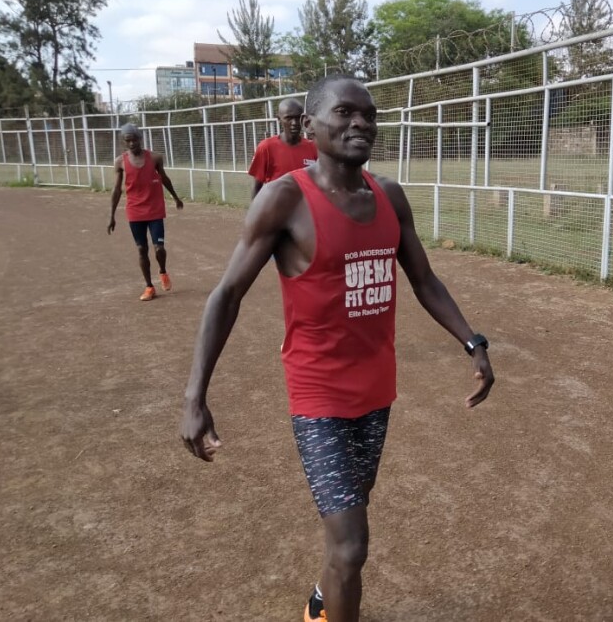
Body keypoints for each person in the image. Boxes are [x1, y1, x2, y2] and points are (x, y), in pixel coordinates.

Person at [180, 75, 495, 622]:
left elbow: (424, 280)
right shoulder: (284, 199)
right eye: (345, 112)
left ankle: (322, 600)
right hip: (318, 395)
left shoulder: (389, 195)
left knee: (350, 521)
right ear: (310, 125)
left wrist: (473, 342)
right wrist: (194, 396)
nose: (360, 123)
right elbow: (226, 294)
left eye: (369, 115)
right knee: (352, 547)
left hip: (376, 390)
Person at [107, 123, 184, 301]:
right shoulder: (120, 162)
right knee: (142, 249)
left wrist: (175, 197)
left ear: (140, 139)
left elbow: (164, 178)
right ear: (124, 142)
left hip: (155, 209)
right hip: (135, 211)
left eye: (134, 140)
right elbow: (117, 189)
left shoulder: (155, 158)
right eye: (128, 141)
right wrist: (111, 216)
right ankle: (149, 287)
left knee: (159, 249)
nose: (132, 143)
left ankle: (163, 271)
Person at [248, 97, 318, 199]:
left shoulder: (313, 147)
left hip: (305, 207)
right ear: (279, 118)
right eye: (289, 118)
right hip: (276, 207)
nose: (294, 123)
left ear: (303, 119)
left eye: (298, 118)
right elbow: (256, 187)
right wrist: (254, 208)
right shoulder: (266, 147)